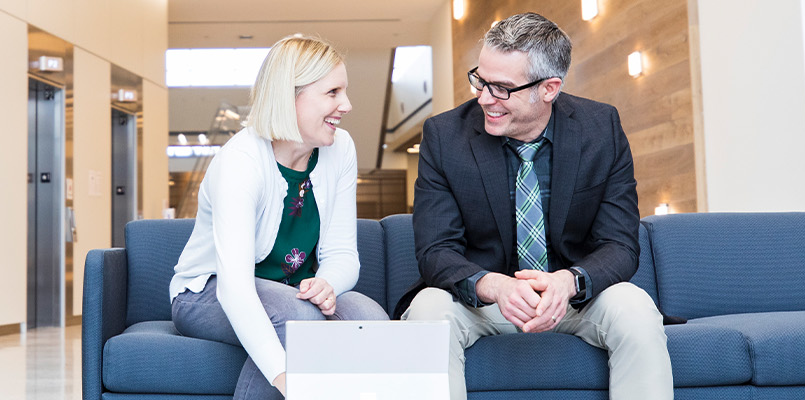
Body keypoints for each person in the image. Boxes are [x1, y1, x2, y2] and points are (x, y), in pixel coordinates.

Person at [395, 13, 673, 399]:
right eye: (481, 79)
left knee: (635, 308)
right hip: (482, 301)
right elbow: (435, 250)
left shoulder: (601, 128)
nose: (484, 98)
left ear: (549, 89)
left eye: (501, 88)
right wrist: (494, 286)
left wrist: (569, 282)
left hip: (575, 300)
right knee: (428, 310)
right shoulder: (444, 136)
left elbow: (620, 245)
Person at [167, 34, 387, 399]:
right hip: (208, 292)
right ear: (291, 96)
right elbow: (235, 290)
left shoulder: (340, 149)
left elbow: (344, 255)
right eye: (332, 93)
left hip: (293, 294)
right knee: (297, 320)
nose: (346, 104)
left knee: (371, 319)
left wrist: (327, 283)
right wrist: (285, 378)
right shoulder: (241, 162)